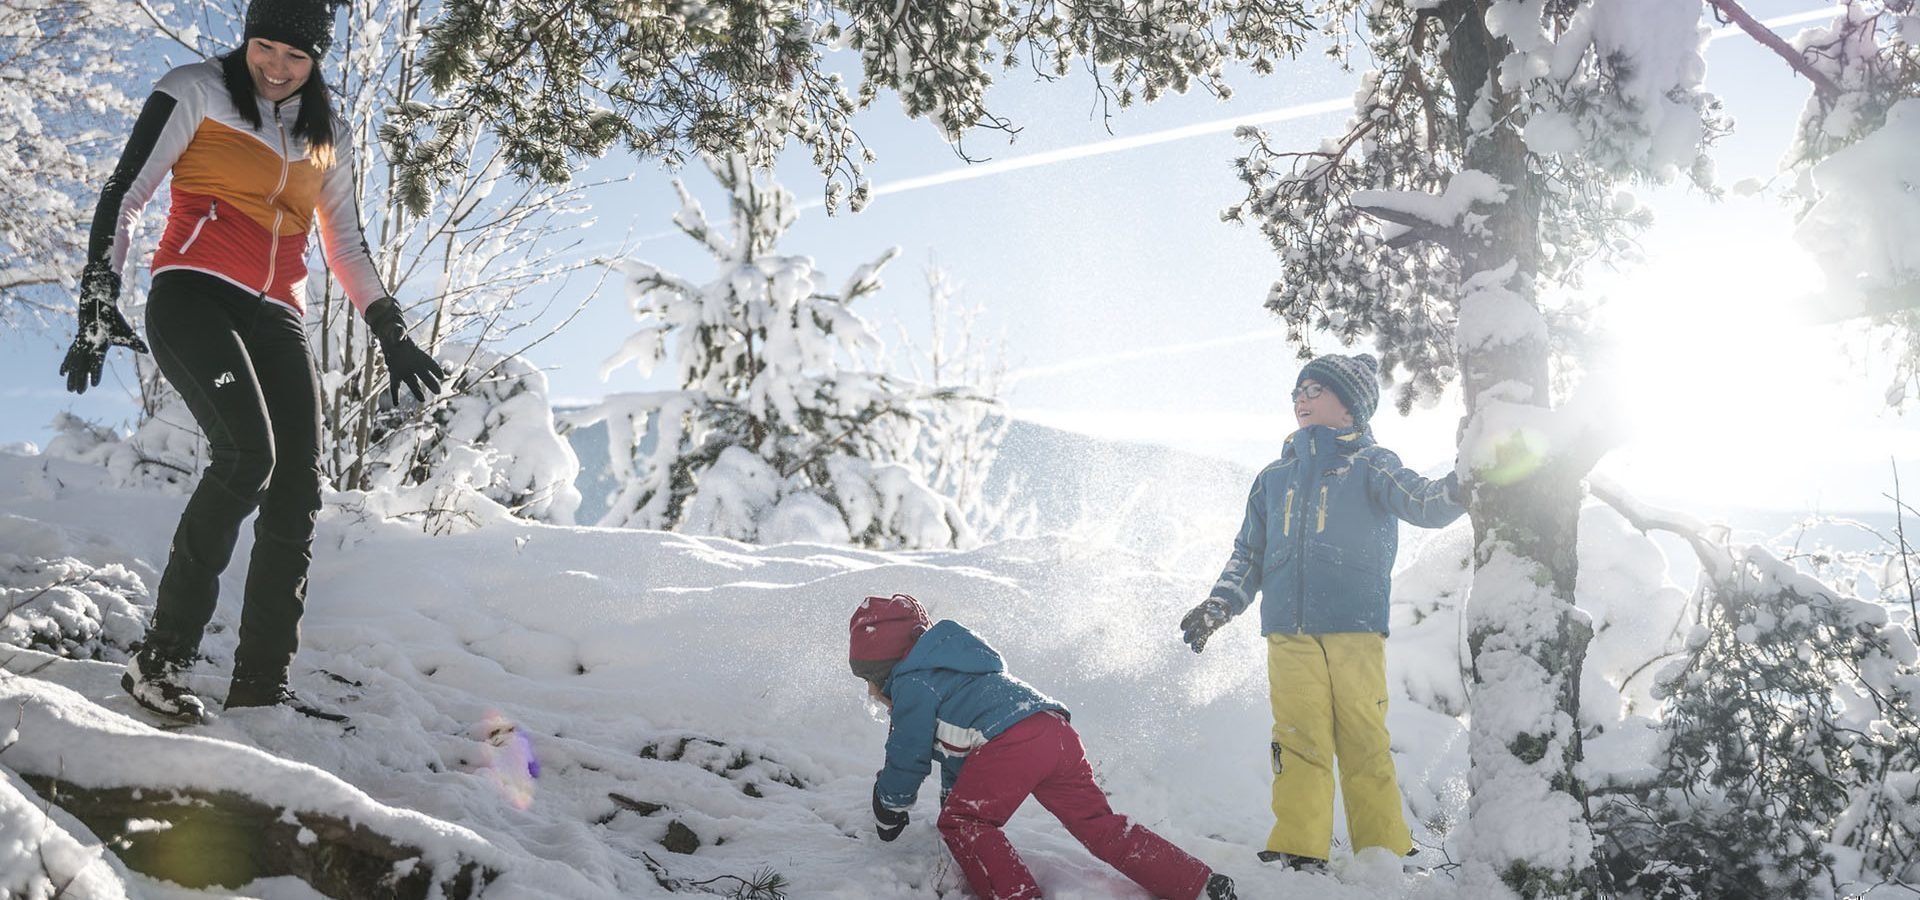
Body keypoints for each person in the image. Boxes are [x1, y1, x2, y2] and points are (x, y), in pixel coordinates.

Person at [59, 0, 445, 722]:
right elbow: (127, 190)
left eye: (294, 57)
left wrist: (389, 330)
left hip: (278, 314)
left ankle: (261, 686)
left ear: (316, 62)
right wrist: (98, 292)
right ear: (247, 40)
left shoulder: (324, 135)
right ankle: (161, 659)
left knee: (297, 488)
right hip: (194, 292)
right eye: (265, 47)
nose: (275, 66)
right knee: (247, 456)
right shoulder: (195, 89)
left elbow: (348, 245)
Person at [1179, 353, 1465, 872]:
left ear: (1350, 409)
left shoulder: (1374, 466)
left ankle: (1383, 850)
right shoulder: (1273, 477)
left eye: (1314, 390)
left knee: (1363, 739)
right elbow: (1249, 554)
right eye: (1297, 392)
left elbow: (1426, 504)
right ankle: (1298, 845)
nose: (1301, 399)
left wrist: (1466, 481)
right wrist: (1220, 604)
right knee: (1297, 736)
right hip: (1288, 630)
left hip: (1355, 627)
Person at [851, 593, 1237, 900]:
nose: (871, 692)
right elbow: (965, 758)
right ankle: (1199, 884)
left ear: (885, 670)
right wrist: (952, 799)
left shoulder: (912, 684)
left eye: (870, 679)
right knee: (1099, 825)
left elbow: (907, 754)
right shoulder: (956, 673)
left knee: (964, 822)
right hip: (1053, 730)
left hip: (1013, 739)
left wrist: (890, 804)